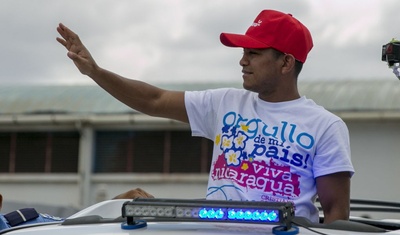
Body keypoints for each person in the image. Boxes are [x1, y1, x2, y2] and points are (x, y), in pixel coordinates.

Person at [56, 9, 354, 224]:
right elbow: (154, 99)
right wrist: (95, 72)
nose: (242, 60)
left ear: (286, 62)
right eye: (243, 51)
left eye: (253, 52)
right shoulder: (225, 102)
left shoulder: (326, 126)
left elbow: (336, 214)